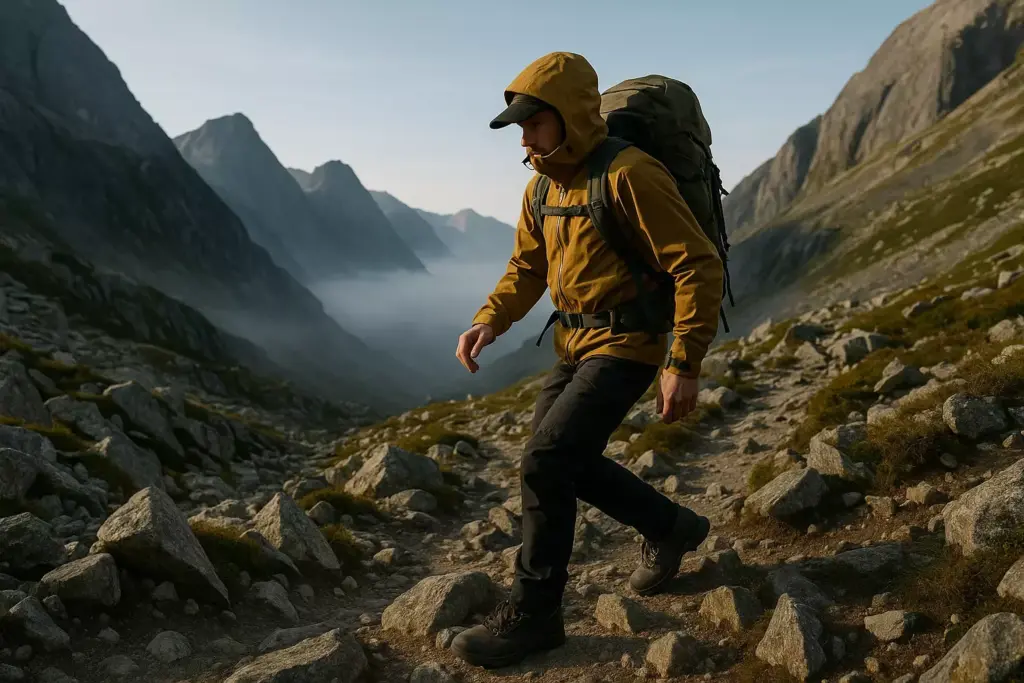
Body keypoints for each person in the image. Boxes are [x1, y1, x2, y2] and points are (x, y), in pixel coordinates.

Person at [451, 51, 725, 669]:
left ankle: (535, 616)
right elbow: (528, 268)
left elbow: (696, 264)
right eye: (518, 125)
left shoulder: (630, 175)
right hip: (573, 344)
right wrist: (489, 319)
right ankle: (670, 527)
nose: (523, 137)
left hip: (630, 343)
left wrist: (684, 362)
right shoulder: (541, 186)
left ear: (571, 116)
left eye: (533, 122)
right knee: (555, 461)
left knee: (549, 460)